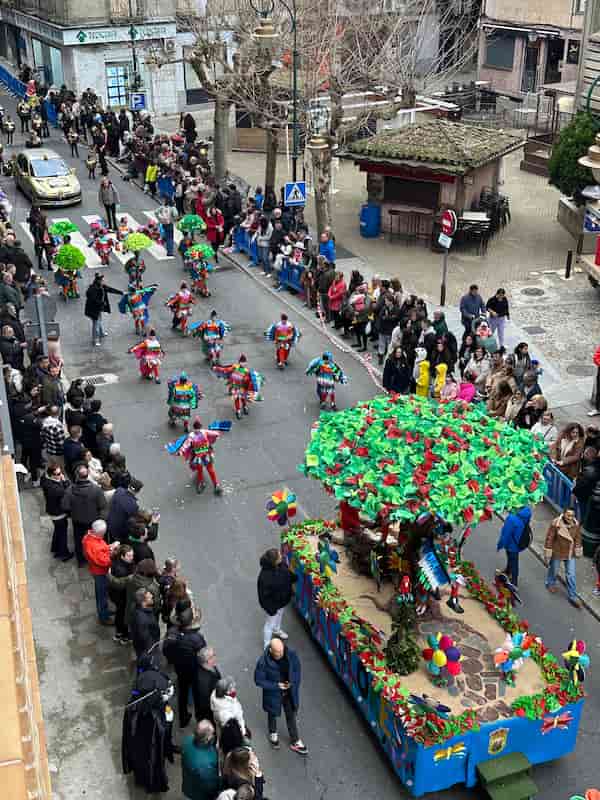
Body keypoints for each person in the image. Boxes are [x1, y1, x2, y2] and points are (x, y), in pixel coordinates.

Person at [122, 653, 176, 793]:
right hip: (151, 745)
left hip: (138, 742)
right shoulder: (154, 715)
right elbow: (162, 733)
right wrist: (168, 720)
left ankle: (141, 778)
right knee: (151, 761)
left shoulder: (134, 706)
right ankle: (152, 783)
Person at [254, 638, 307, 755]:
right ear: (271, 651)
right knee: (272, 714)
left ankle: (295, 740)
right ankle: (273, 734)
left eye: (282, 651)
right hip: (274, 694)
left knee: (291, 715)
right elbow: (258, 680)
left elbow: (297, 670)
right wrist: (277, 686)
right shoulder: (263, 662)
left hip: (288, 692)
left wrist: (293, 683)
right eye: (278, 653)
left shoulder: (290, 654)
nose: (281, 654)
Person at [163, 606, 207, 727]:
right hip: (194, 670)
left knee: (182, 692)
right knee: (198, 694)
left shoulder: (173, 633)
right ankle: (200, 719)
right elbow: (203, 656)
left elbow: (166, 650)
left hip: (180, 668)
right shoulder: (196, 638)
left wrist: (174, 659)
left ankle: (183, 718)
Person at [61, 464, 107, 566]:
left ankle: (81, 560)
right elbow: (103, 506)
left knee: (79, 541)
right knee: (94, 541)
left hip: (77, 521)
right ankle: (93, 558)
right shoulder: (96, 490)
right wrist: (101, 519)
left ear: (77, 475)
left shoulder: (70, 490)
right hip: (93, 522)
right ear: (88, 475)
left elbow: (65, 506)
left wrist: (72, 513)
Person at [170, 417, 222, 495]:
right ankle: (215, 484)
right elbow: (215, 434)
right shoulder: (203, 432)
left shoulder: (192, 435)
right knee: (207, 470)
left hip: (199, 455)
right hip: (205, 453)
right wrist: (217, 433)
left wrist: (179, 453)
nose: (197, 430)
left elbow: (185, 446)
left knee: (205, 469)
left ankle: (203, 483)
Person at [257, 548, 297, 648]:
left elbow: (288, 575)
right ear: (274, 561)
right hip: (273, 606)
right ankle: (267, 644)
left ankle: (277, 629)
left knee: (279, 615)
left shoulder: (281, 565)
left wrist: (293, 577)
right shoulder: (264, 577)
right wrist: (270, 609)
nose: (281, 556)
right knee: (269, 624)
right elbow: (263, 597)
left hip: (282, 601)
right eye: (279, 556)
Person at [82, 519, 120, 625]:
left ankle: (105, 612)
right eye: (103, 534)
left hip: (97, 570)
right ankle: (104, 617)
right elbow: (104, 562)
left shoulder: (89, 537)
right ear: (100, 533)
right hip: (100, 572)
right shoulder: (94, 546)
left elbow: (102, 549)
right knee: (102, 595)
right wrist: (114, 553)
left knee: (102, 593)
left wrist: (110, 547)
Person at [544, 508, 583, 609]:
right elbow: (550, 538)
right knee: (554, 569)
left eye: (572, 515)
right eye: (568, 515)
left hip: (570, 553)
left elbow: (578, 538)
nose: (570, 517)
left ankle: (572, 596)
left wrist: (578, 548)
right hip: (558, 551)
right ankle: (550, 582)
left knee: (571, 574)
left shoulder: (576, 525)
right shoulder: (556, 524)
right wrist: (548, 550)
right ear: (564, 514)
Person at [40, 462, 73, 561]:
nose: (60, 475)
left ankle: (55, 548)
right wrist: (65, 481)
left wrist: (60, 479)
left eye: (60, 473)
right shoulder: (53, 488)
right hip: (58, 513)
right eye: (57, 474)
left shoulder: (46, 479)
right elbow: (67, 491)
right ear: (51, 475)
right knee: (62, 533)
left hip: (53, 510)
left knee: (58, 530)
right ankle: (64, 554)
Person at [181, 720, 222, 800]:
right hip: (200, 795)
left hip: (188, 784)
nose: (214, 736)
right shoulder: (204, 765)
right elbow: (210, 786)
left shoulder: (188, 740)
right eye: (212, 734)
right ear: (206, 739)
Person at [214, 354, 262, 420]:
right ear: (239, 362)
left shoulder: (247, 371)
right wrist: (217, 368)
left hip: (243, 387)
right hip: (235, 387)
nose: (244, 363)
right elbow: (226, 369)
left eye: (245, 362)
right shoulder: (235, 367)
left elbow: (250, 380)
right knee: (236, 399)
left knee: (243, 398)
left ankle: (244, 407)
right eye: (242, 362)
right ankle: (238, 411)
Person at [84, 273, 123, 347]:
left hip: (98, 308)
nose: (103, 281)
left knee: (99, 320)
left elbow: (110, 289)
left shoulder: (101, 286)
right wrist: (101, 303)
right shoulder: (93, 289)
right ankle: (95, 340)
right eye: (102, 280)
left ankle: (101, 333)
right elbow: (93, 299)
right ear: (98, 281)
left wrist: (121, 293)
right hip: (93, 310)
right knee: (96, 324)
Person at [496, 506, 531, 587]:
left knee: (513, 561)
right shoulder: (527, 513)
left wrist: (500, 545)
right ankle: (508, 571)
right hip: (519, 543)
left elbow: (506, 534)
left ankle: (514, 583)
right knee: (513, 559)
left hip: (511, 545)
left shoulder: (512, 519)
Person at [109, 543, 135, 643]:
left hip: (116, 595)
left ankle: (118, 633)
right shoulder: (122, 571)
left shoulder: (117, 561)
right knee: (123, 616)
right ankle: (124, 636)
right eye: (129, 556)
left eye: (132, 555)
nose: (131, 557)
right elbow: (124, 585)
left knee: (119, 614)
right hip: (122, 597)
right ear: (122, 556)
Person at [106, 476, 143, 542]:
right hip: (117, 533)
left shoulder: (119, 490)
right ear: (138, 491)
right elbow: (129, 522)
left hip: (107, 523)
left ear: (129, 485)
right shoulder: (134, 506)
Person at [129, 586, 161, 658]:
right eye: (149, 597)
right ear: (143, 602)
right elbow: (145, 639)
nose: (152, 596)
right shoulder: (142, 619)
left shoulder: (143, 610)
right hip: (148, 650)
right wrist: (153, 650)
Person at [197, 647, 222, 724]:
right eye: (213, 656)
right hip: (210, 711)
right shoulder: (204, 681)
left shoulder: (211, 667)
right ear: (207, 661)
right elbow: (205, 702)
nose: (215, 656)